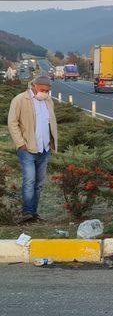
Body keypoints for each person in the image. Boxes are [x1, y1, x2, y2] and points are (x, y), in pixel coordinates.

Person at [7, 76, 58, 223]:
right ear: (34, 86)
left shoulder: (48, 101)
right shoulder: (20, 100)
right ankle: (27, 213)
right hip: (27, 148)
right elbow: (12, 123)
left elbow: (50, 122)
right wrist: (20, 143)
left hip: (44, 149)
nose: (45, 93)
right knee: (29, 181)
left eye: (48, 91)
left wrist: (52, 143)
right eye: (43, 90)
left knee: (39, 183)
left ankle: (34, 213)